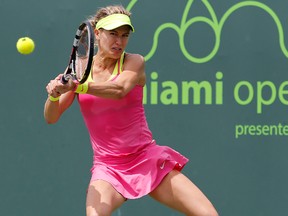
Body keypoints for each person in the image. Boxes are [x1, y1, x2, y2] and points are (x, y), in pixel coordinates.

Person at [44, 5, 218, 216]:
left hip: (146, 159)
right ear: (97, 34)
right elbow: (51, 117)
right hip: (108, 168)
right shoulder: (79, 69)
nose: (119, 41)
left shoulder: (134, 62)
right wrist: (54, 94)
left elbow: (119, 90)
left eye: (125, 35)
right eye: (113, 34)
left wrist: (79, 86)